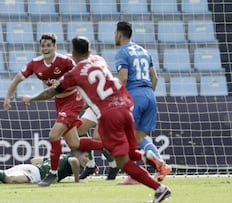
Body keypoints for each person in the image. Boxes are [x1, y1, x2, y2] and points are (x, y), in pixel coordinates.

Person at [21, 36, 172, 202]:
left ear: (73, 54)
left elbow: (51, 92)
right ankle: (148, 156)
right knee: (129, 151)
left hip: (109, 115)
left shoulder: (74, 74)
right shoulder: (99, 60)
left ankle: (160, 188)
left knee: (123, 162)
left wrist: (32, 98)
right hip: (126, 107)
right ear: (90, 51)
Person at [3, 33, 104, 187]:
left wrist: (88, 98)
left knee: (53, 135)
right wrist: (8, 97)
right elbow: (17, 79)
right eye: (43, 46)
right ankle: (110, 145)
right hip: (59, 102)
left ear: (55, 47)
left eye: (49, 45)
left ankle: (52, 173)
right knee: (74, 144)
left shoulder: (65, 61)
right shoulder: (35, 64)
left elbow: (81, 78)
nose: (46, 48)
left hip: (73, 99)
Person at [114, 21, 171, 184]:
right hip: (149, 94)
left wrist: (118, 100)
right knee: (139, 137)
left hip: (134, 96)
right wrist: (146, 94)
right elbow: (155, 77)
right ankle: (160, 165)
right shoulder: (144, 51)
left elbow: (123, 78)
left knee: (125, 136)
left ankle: (136, 173)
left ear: (119, 34)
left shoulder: (122, 52)